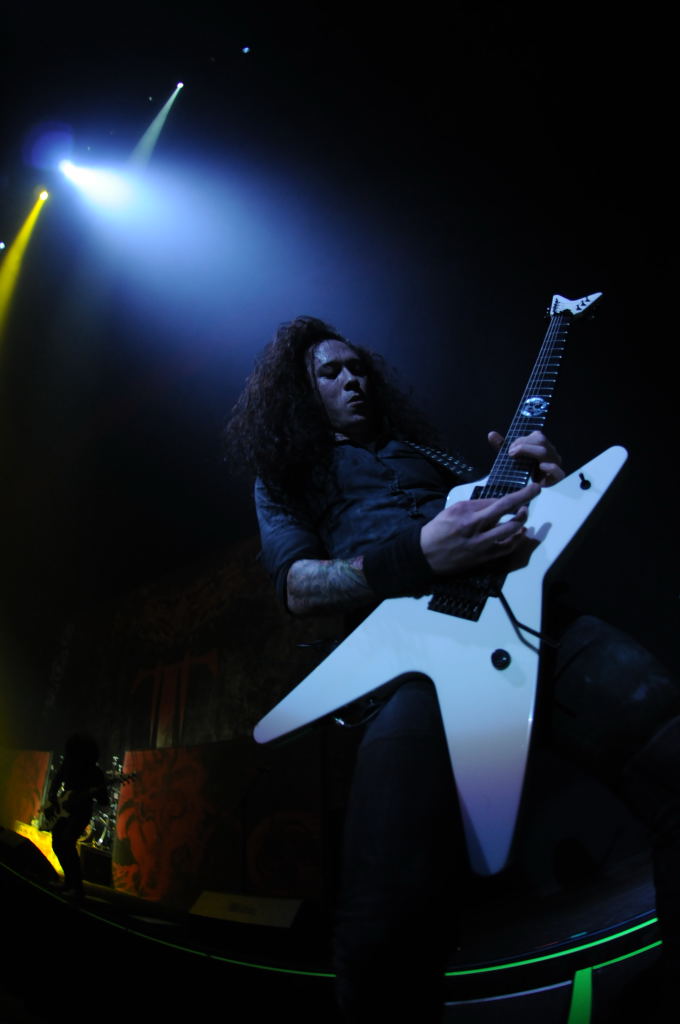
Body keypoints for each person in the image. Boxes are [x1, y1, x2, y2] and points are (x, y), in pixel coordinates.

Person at [226, 315, 680, 1021]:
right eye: (330, 372)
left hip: (540, 624)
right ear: (298, 392)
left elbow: (517, 529)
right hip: (417, 665)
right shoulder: (286, 477)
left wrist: (550, 489)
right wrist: (416, 556)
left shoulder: (428, 455)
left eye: (359, 366)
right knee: (387, 907)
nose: (353, 378)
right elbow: (298, 588)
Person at [43, 733, 109, 901]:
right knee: (58, 843)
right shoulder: (69, 765)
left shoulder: (95, 772)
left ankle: (77, 888)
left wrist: (97, 791)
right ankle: (69, 883)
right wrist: (52, 799)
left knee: (66, 842)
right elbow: (56, 781)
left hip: (81, 812)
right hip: (64, 809)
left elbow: (104, 801)